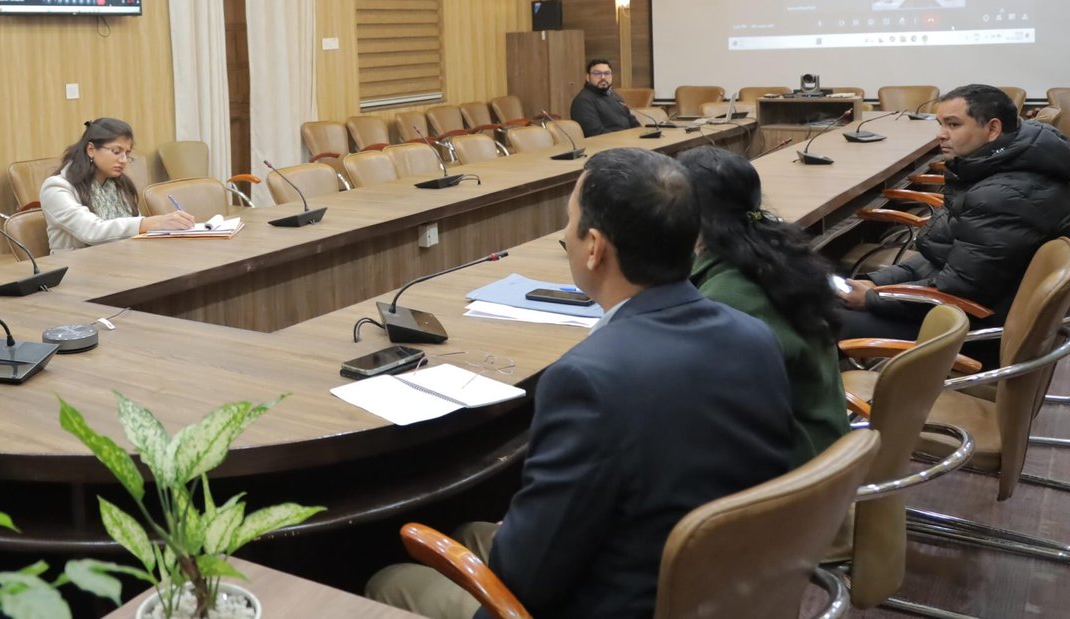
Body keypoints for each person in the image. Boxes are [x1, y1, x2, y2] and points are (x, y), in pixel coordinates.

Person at [367, 150, 792, 619]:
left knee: (390, 581)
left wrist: (526, 528)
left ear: (594, 248)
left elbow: (525, 578)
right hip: (732, 591)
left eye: (569, 222)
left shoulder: (587, 381)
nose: (564, 235)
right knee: (470, 532)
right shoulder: (755, 337)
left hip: (621, 603)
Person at [837, 84, 1070, 343]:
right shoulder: (999, 169)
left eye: (953, 125)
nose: (941, 134)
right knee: (825, 307)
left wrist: (873, 299)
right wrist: (876, 283)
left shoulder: (1002, 196)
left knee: (820, 321)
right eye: (941, 124)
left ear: (993, 129)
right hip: (962, 311)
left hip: (972, 334)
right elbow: (943, 260)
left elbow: (957, 290)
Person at [679, 147, 849, 466]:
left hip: (797, 470)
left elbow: (704, 407)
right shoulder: (775, 254)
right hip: (824, 445)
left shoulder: (727, 299)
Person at [39, 117, 194, 253]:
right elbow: (91, 231)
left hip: (121, 260)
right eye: (116, 151)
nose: (123, 160)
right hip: (76, 269)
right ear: (91, 149)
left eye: (127, 154)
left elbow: (136, 231)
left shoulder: (119, 184)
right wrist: (150, 222)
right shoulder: (56, 188)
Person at [568, 57, 640, 137]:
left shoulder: (614, 96)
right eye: (597, 73)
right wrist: (626, 138)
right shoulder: (583, 101)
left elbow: (633, 123)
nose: (603, 77)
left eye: (607, 73)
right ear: (588, 77)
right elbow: (595, 133)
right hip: (608, 143)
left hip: (629, 140)